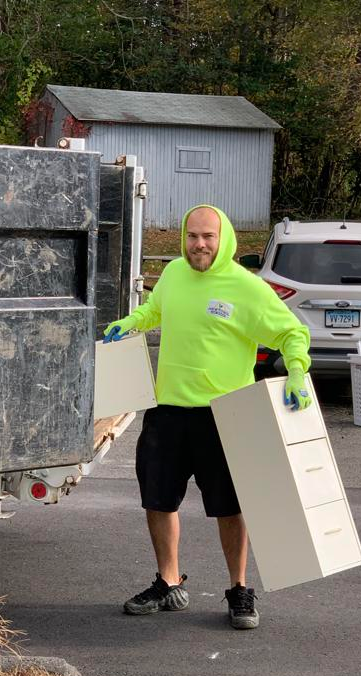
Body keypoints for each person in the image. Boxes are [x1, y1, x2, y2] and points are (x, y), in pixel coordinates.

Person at [103, 205, 311, 629]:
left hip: (225, 415)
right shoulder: (176, 274)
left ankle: (238, 589)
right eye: (193, 236)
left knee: (230, 508)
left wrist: (297, 371)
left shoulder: (245, 287)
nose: (199, 244)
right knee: (157, 501)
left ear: (224, 239)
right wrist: (130, 322)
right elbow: (156, 310)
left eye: (208, 237)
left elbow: (292, 332)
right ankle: (168, 582)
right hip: (168, 411)